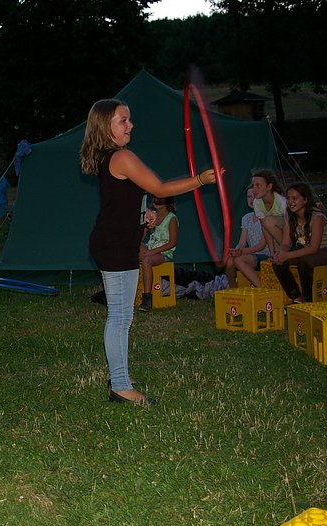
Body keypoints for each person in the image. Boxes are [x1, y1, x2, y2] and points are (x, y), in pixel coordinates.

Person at [79, 99, 216, 406]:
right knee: (120, 317)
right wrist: (200, 180)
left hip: (116, 241)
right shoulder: (122, 157)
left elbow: (121, 200)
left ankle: (120, 375)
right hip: (114, 245)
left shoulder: (108, 157)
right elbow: (160, 189)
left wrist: (144, 217)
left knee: (122, 315)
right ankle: (121, 386)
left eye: (129, 119)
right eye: (123, 121)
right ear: (106, 127)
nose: (130, 125)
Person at [270, 182, 327, 303]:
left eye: (295, 198)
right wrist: (280, 254)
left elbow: (314, 248)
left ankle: (308, 300)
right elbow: (286, 243)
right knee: (278, 263)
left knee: (305, 263)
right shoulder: (290, 216)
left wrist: (287, 255)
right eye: (288, 198)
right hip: (306, 248)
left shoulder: (317, 217)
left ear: (305, 200)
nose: (290, 202)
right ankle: (296, 297)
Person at [137, 195, 178, 311]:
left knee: (146, 260)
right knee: (130, 249)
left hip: (164, 254)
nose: (156, 201)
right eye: (154, 199)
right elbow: (141, 237)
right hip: (150, 249)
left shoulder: (171, 219)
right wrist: (145, 227)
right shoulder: (152, 215)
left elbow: (172, 243)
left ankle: (147, 297)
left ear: (168, 204)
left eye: (160, 200)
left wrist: (151, 252)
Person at [224, 186, 269, 288]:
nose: (252, 199)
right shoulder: (247, 218)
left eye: (255, 196)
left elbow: (261, 246)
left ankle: (261, 288)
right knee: (230, 260)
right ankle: (233, 289)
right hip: (251, 254)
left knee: (238, 260)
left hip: (266, 255)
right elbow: (242, 243)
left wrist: (242, 252)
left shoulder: (267, 217)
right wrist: (235, 251)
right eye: (249, 196)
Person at [251, 169, 286, 255]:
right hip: (278, 235)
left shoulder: (281, 202)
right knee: (265, 223)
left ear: (269, 187)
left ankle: (288, 250)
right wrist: (272, 252)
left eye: (258, 185)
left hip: (289, 230)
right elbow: (265, 229)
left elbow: (291, 224)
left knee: (268, 220)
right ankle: (274, 252)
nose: (254, 189)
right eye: (253, 186)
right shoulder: (257, 202)